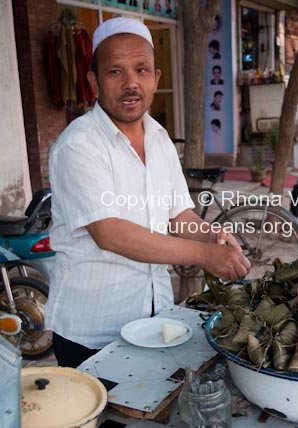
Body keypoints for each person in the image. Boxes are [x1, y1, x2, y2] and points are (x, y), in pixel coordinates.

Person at [46, 17, 250, 368]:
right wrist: (204, 258)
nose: (130, 84)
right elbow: (111, 234)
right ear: (94, 81)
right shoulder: (78, 146)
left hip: (155, 319)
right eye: (115, 72)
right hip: (92, 332)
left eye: (141, 70)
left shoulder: (159, 140)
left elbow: (178, 215)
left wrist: (211, 237)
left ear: (156, 78)